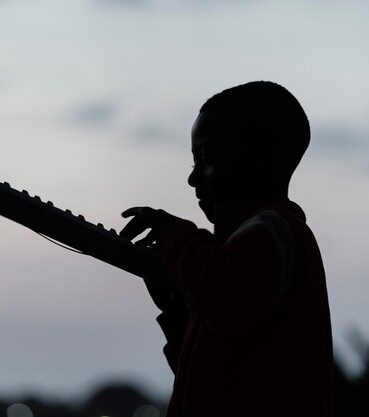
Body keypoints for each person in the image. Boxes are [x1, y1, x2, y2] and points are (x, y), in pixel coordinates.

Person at [120, 81, 333, 416]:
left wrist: (172, 231)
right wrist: (182, 318)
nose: (193, 179)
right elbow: (216, 378)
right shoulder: (249, 246)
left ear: (262, 157)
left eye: (206, 157)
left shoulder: (274, 230)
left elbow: (226, 296)